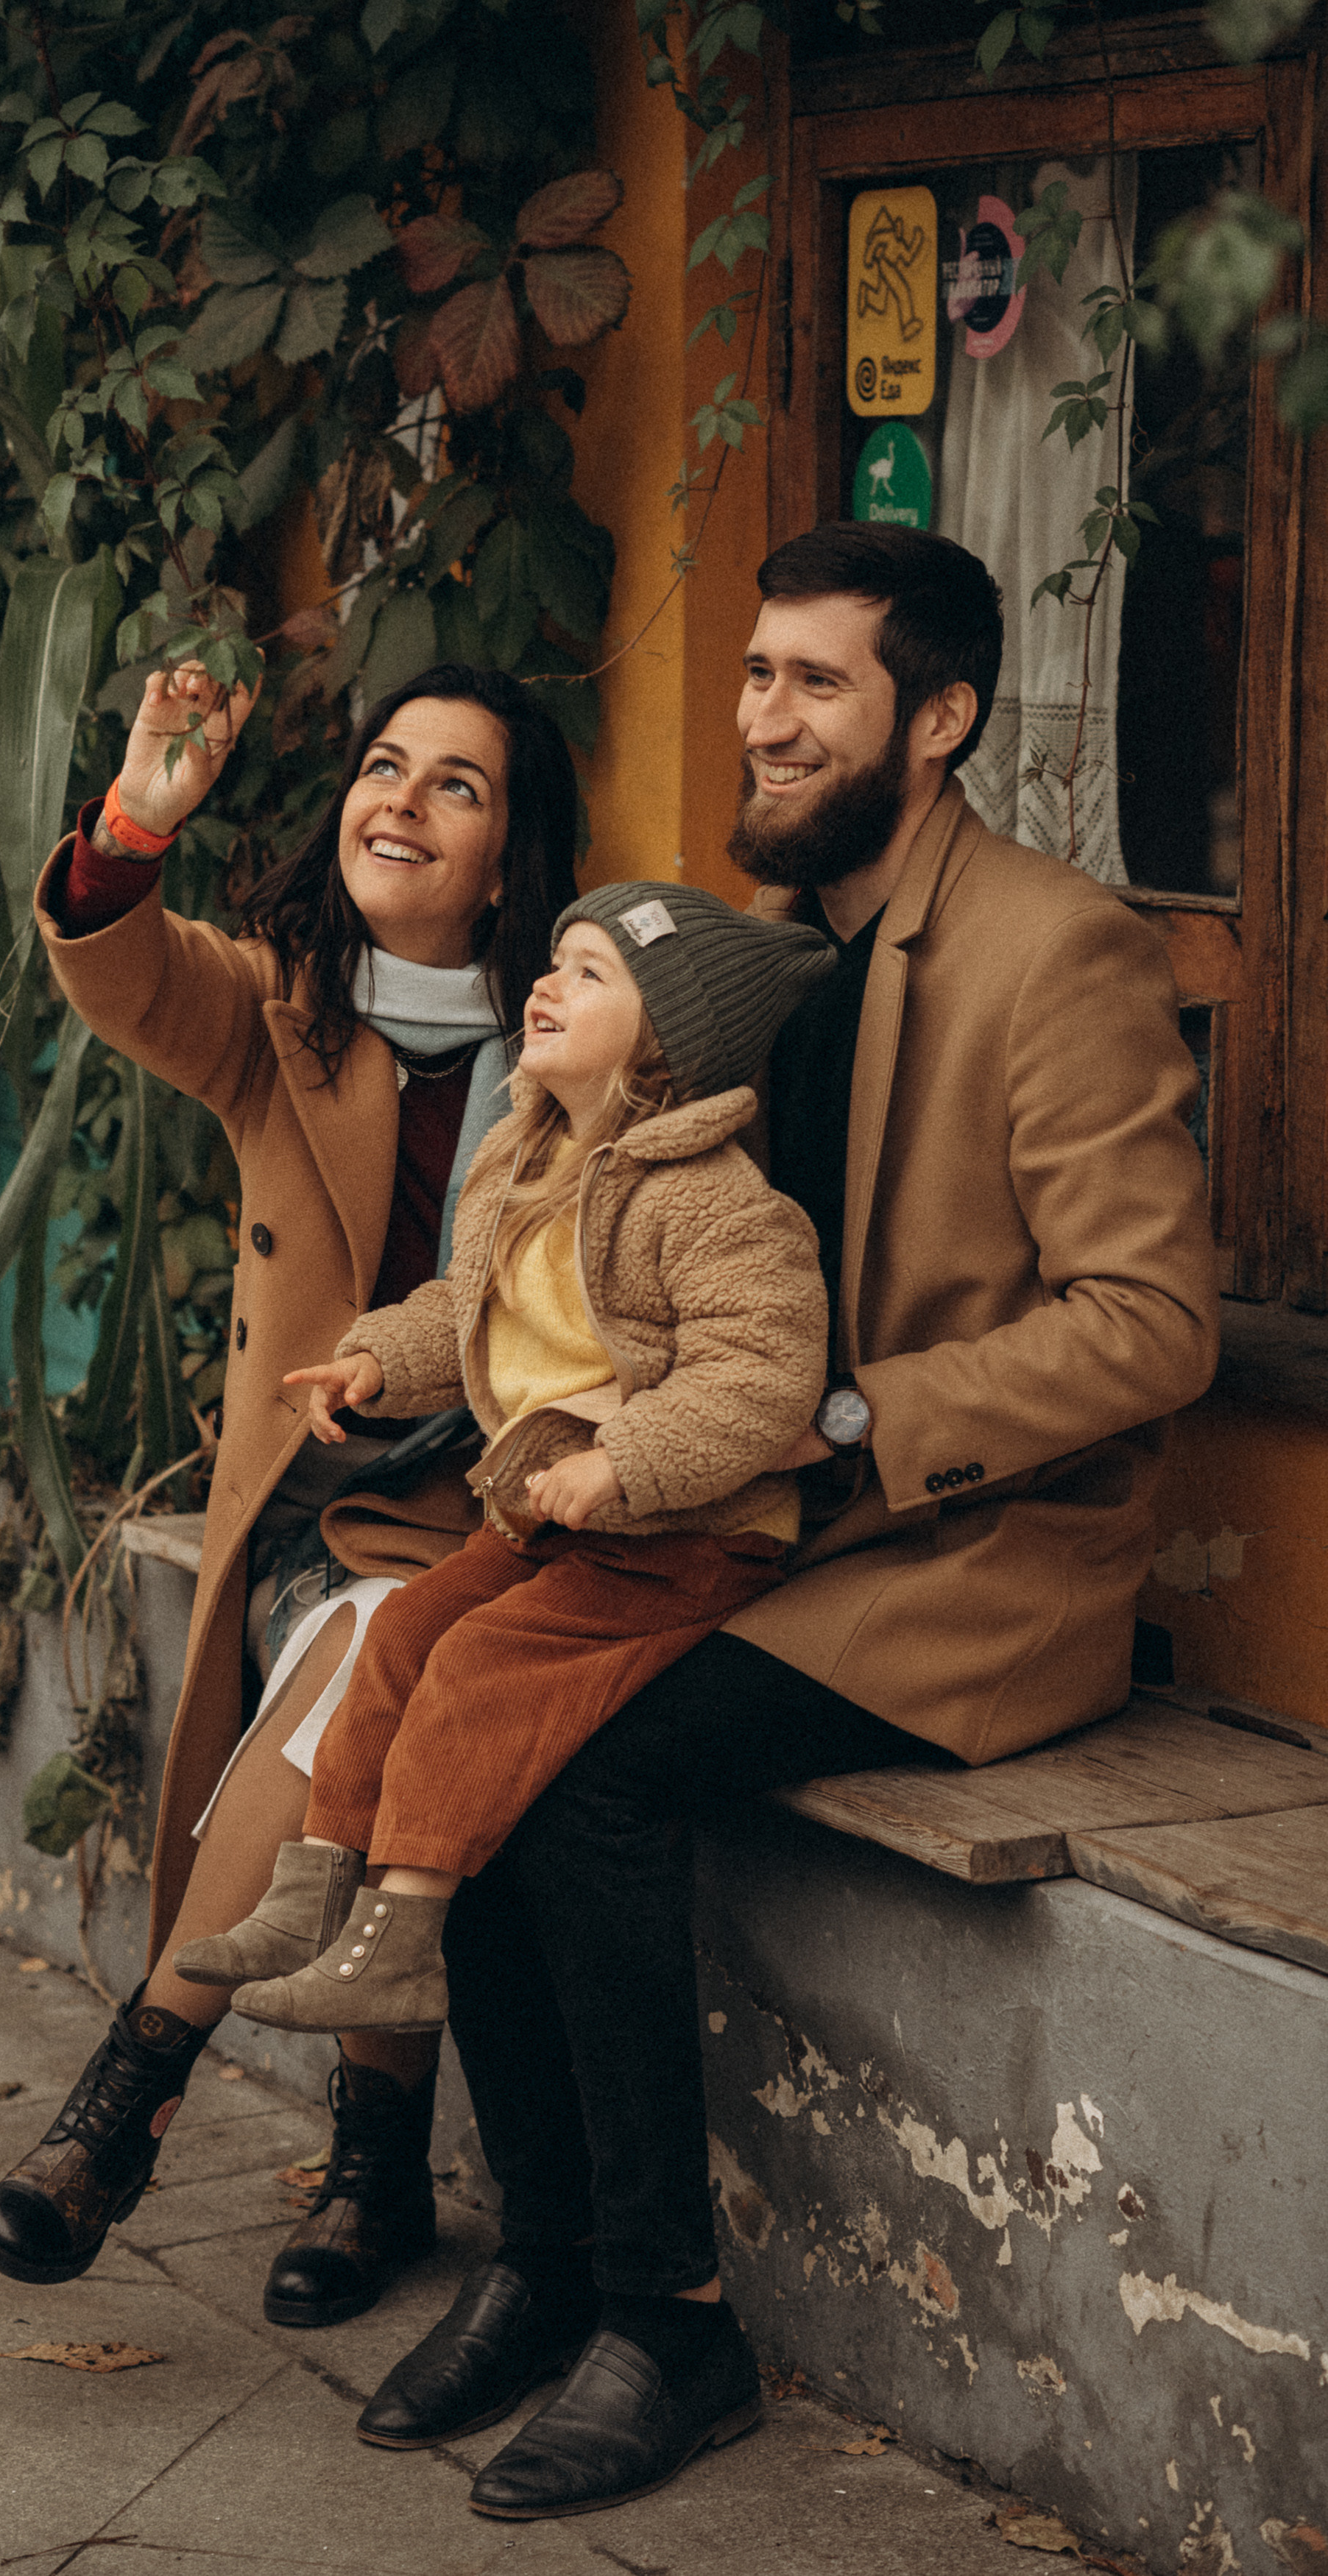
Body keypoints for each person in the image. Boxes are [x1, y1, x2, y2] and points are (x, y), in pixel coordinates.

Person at [349, 524, 1221, 2522]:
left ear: (938, 720)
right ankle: (548, 2262)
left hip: (950, 1558)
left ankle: (668, 2320)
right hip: (724, 1507)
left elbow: (1154, 1323)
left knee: (578, 1776)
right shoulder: (761, 949)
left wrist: (850, 1417)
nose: (758, 715)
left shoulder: (1051, 946)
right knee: (458, 1710)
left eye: (810, 684)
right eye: (752, 674)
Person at [0, 659, 582, 2321]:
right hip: (330, 1493)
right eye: (385, 766)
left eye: (457, 782)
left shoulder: (588, 1049)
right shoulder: (281, 1013)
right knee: (379, 1648)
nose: (400, 798)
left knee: (392, 1662)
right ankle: (364, 2164)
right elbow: (124, 972)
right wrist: (132, 824)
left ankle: (136, 2098)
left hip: (523, 1504)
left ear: (514, 852)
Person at [171, 884, 834, 2036]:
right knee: (401, 1636)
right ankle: (311, 1891)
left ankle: (401, 1941)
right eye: (552, 959)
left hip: (684, 1536)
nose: (545, 983)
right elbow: (465, 1310)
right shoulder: (518, 1161)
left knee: (474, 1666)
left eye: (589, 973)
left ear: (667, 1042)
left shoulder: (716, 1204)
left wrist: (623, 1460)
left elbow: (760, 1379)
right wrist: (374, 1360)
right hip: (551, 1517)